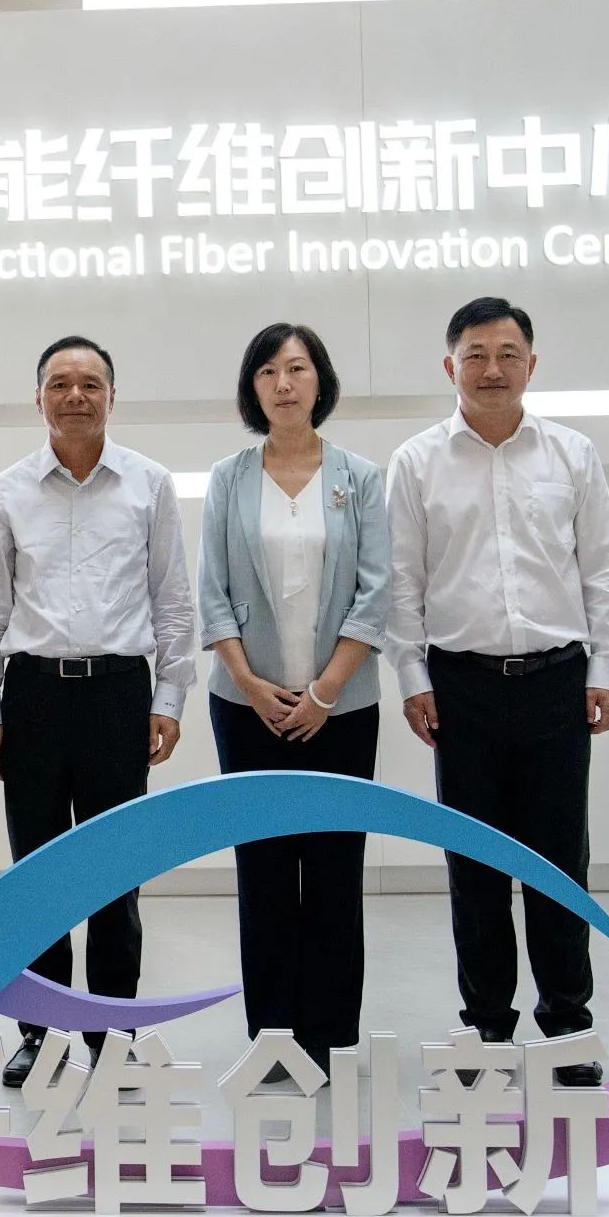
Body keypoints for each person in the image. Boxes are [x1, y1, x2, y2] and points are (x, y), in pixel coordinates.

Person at [386, 297, 609, 1088]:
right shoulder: (417, 462)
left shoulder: (572, 455)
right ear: (449, 366)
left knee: (560, 863)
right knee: (476, 868)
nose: (492, 370)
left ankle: (568, 1024)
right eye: (476, 355)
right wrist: (413, 678)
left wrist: (604, 669)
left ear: (532, 363)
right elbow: (401, 584)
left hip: (558, 682)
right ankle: (487, 1027)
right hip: (461, 688)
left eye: (508, 354)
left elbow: (603, 569)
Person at [0, 336, 197, 1087]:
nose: (75, 396)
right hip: (33, 695)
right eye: (60, 384)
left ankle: (111, 1031)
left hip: (117, 695)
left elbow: (172, 600)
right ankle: (38, 1032)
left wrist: (169, 697)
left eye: (90, 383)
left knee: (114, 875)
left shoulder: (149, 485)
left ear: (111, 397)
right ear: (38, 398)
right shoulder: (8, 492)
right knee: (36, 878)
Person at [198, 323, 390, 1077]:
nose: (284, 383)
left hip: (343, 708)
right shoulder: (229, 478)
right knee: (266, 871)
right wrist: (251, 685)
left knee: (337, 868)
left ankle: (332, 1034)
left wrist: (325, 691)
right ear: (253, 387)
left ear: (321, 381)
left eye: (299, 368)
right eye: (269, 371)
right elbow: (212, 592)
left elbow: (377, 592)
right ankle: (273, 1038)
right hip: (247, 707)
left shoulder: (359, 478)